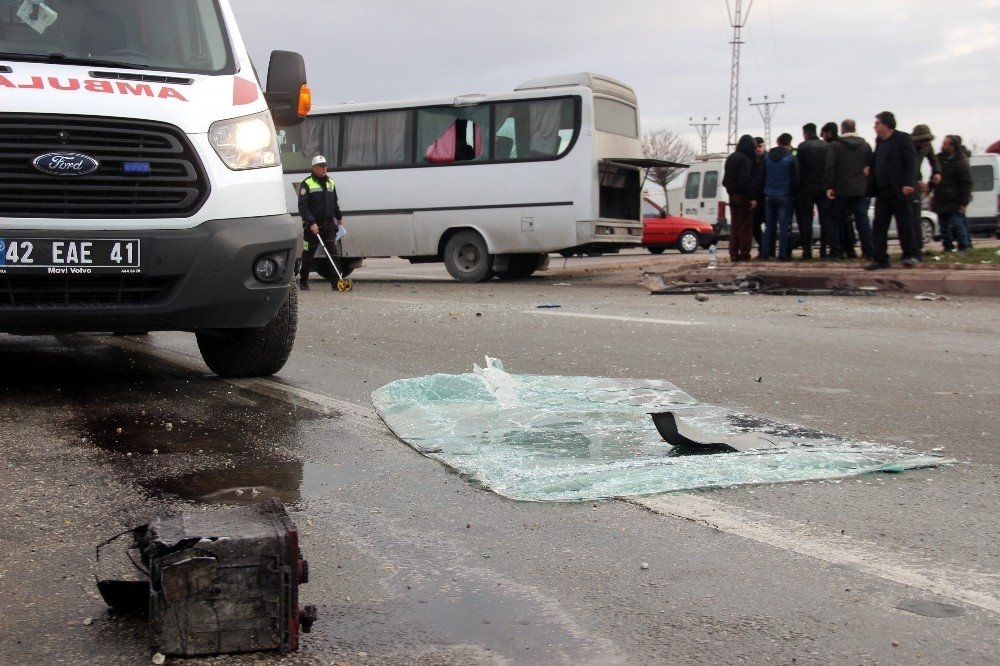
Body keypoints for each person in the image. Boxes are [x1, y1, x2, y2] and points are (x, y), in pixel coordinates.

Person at [867, 111, 919, 270]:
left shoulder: (902, 138)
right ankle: (880, 258)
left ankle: (909, 254)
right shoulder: (880, 141)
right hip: (883, 190)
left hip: (900, 189)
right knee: (879, 224)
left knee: (904, 223)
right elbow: (878, 160)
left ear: (886, 124)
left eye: (877, 123)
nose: (874, 126)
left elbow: (911, 162)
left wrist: (908, 183)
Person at [824, 119, 874, 259]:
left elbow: (830, 167)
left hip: (841, 189)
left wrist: (830, 186)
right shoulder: (865, 146)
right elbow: (870, 167)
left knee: (833, 219)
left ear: (842, 129)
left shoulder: (835, 146)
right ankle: (869, 251)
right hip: (860, 189)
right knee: (862, 220)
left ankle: (837, 252)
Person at [297, 155, 344, 290]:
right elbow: (303, 207)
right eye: (321, 166)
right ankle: (303, 281)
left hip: (328, 225)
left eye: (325, 166)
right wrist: (311, 223)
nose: (324, 169)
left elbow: (334, 202)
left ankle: (337, 283)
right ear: (314, 168)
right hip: (312, 227)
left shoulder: (331, 183)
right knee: (308, 255)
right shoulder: (306, 184)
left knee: (333, 254)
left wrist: (339, 217)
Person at [932, 134, 974, 251]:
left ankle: (963, 245)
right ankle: (947, 246)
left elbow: (967, 183)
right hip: (941, 198)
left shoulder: (961, 161)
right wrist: (930, 188)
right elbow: (934, 176)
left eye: (945, 144)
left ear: (952, 146)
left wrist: (964, 202)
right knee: (943, 225)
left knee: (957, 223)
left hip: (954, 199)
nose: (942, 146)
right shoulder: (939, 159)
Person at [795, 123, 830, 259]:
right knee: (825, 220)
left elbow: (799, 169)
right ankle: (823, 250)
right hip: (823, 187)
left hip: (806, 188)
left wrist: (798, 187)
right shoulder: (826, 146)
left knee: (806, 220)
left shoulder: (802, 147)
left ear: (805, 133)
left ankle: (807, 251)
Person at [762, 133, 799, 260]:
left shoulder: (767, 158)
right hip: (785, 195)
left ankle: (765, 253)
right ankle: (783, 254)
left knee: (769, 226)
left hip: (769, 195)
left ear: (778, 142)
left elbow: (763, 176)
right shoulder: (790, 158)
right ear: (789, 144)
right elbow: (795, 179)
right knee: (784, 226)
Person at [722, 134, 759, 262]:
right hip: (744, 197)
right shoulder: (745, 160)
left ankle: (733, 253)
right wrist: (751, 197)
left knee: (735, 226)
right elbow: (745, 180)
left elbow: (725, 180)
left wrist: (731, 192)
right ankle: (744, 254)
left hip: (732, 196)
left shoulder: (730, 158)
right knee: (745, 227)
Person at [910, 124, 941, 255]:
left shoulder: (927, 146)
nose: (924, 144)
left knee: (916, 216)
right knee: (909, 217)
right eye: (922, 141)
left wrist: (936, 173)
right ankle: (911, 247)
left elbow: (934, 161)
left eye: (926, 141)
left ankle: (917, 247)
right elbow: (906, 166)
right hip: (907, 180)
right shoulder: (908, 147)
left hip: (917, 182)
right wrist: (917, 180)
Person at [751, 137, 769, 254]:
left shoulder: (768, 160)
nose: (758, 149)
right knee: (754, 225)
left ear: (764, 146)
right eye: (756, 147)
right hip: (756, 199)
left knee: (770, 226)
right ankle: (763, 247)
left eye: (760, 146)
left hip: (767, 197)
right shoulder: (751, 161)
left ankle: (767, 250)